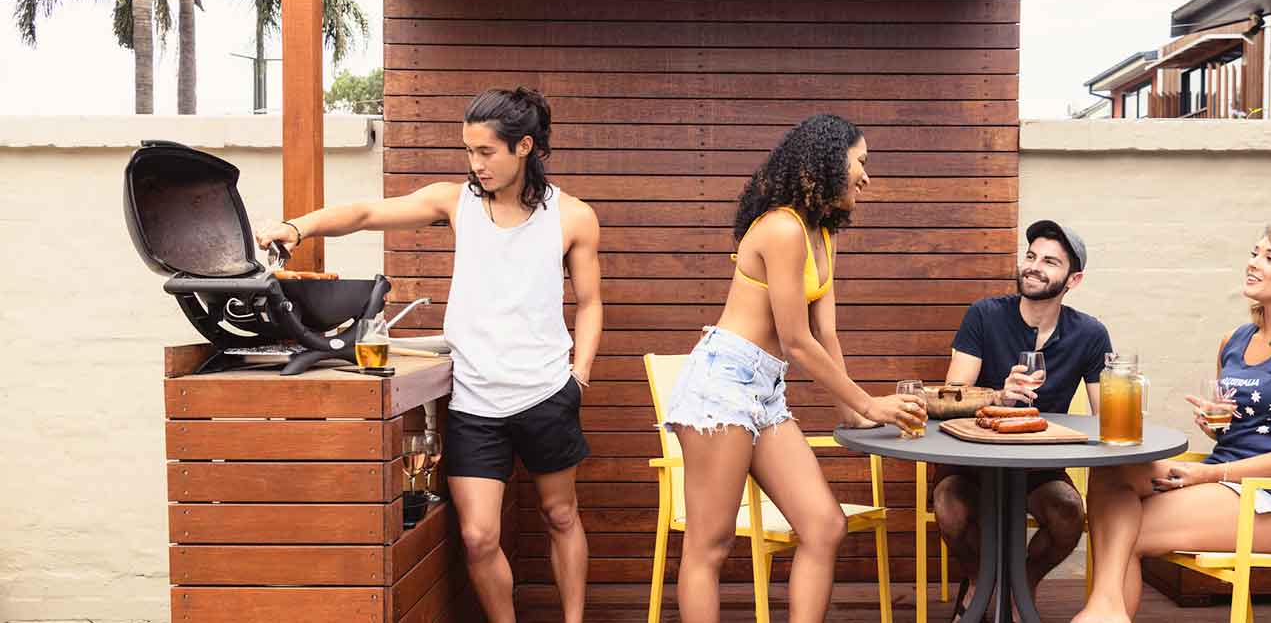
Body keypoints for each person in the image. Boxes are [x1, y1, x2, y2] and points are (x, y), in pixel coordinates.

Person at [254, 87, 601, 623]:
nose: (475, 164)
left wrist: (578, 378)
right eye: (469, 151)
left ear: (525, 147)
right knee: (479, 536)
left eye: (486, 152)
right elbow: (368, 212)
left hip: (545, 394)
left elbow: (591, 303)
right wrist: (298, 227)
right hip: (476, 401)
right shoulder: (454, 201)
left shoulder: (574, 217)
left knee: (560, 515)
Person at [661, 114, 926, 623]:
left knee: (824, 526)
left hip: (764, 391)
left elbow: (826, 334)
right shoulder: (781, 228)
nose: (867, 177)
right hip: (722, 385)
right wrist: (870, 402)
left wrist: (852, 414)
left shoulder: (822, 234)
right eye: (861, 163)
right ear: (827, 162)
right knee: (709, 544)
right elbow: (796, 340)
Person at [1072, 222, 1271, 623]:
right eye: (1254, 253)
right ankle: (1107, 610)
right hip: (1220, 482)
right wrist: (1217, 425)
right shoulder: (1235, 340)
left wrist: (1211, 474)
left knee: (1122, 533)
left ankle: (1103, 610)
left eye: (1270, 258)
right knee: (1111, 471)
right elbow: (1242, 426)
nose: (1253, 264)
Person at [932, 220, 1113, 621]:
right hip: (971, 460)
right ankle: (980, 581)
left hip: (1037, 465)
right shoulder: (984, 315)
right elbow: (951, 392)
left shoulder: (1089, 333)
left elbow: (1107, 415)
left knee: (1068, 513)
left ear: (1074, 278)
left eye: (1050, 261)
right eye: (1031, 256)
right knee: (950, 507)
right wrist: (998, 395)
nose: (1033, 266)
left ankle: (1023, 583)